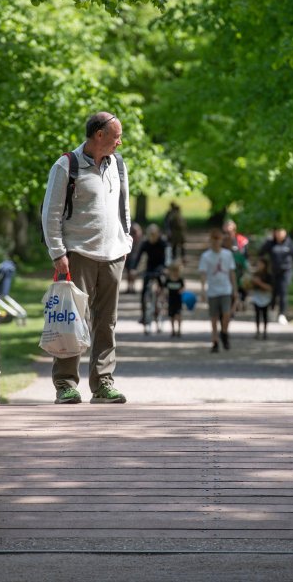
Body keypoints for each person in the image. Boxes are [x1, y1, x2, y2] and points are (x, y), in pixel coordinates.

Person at [41, 111, 131, 405]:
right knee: (72, 319)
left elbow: (124, 208)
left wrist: (125, 240)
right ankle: (65, 384)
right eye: (116, 136)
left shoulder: (118, 165)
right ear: (99, 135)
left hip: (114, 254)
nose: (120, 142)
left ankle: (103, 384)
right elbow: (50, 214)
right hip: (77, 253)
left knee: (107, 322)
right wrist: (58, 253)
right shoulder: (67, 165)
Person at [198, 228, 237, 352]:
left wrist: (234, 289)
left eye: (218, 240)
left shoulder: (227, 254)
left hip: (225, 289)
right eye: (213, 240)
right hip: (213, 290)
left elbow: (231, 272)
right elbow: (203, 274)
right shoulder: (206, 256)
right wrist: (203, 290)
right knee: (214, 317)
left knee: (226, 314)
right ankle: (215, 341)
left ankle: (224, 332)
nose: (216, 243)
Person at [259, 228, 293, 325]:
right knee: (274, 291)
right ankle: (273, 309)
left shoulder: (290, 243)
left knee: (283, 291)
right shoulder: (270, 243)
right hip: (273, 271)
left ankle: (282, 314)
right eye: (277, 232)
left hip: (286, 271)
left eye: (281, 232)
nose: (279, 234)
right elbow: (261, 253)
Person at [133, 223, 170, 327]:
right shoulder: (145, 243)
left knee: (163, 284)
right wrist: (134, 269)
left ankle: (164, 303)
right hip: (150, 267)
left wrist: (166, 267)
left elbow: (168, 254)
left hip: (161, 266)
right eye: (150, 234)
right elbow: (139, 256)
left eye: (154, 234)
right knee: (144, 291)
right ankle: (144, 314)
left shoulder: (163, 242)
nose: (152, 236)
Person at [249, 257, 273, 339]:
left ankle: (265, 331)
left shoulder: (269, 276)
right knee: (257, 315)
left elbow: (270, 288)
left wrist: (259, 283)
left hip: (266, 297)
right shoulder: (255, 274)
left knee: (265, 315)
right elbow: (250, 287)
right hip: (257, 297)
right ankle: (258, 331)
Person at [164, 260, 186, 337]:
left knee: (178, 315)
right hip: (170, 300)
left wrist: (181, 290)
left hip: (178, 300)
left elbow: (183, 288)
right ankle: (173, 330)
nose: (175, 273)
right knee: (172, 316)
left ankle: (179, 330)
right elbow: (164, 288)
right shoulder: (168, 280)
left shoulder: (180, 280)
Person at [124, 221, 143, 294]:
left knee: (132, 272)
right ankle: (129, 287)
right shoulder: (131, 229)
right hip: (129, 254)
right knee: (128, 272)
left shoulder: (134, 227)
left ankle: (132, 287)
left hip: (133, 255)